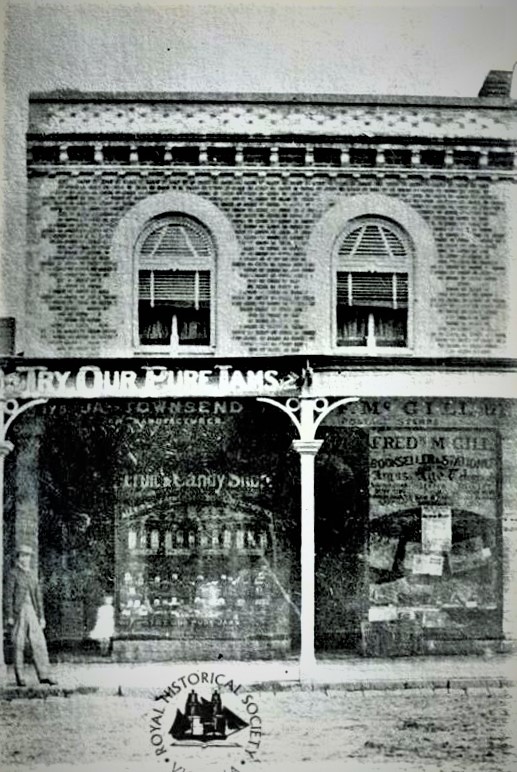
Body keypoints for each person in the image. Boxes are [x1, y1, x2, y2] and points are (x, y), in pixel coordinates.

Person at [6, 544, 57, 687]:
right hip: (19, 611)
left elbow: (38, 598)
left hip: (32, 611)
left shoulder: (32, 575)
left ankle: (44, 675)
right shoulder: (13, 574)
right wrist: (9, 615)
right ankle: (20, 676)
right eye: (22, 555)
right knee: (19, 643)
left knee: (39, 642)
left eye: (27, 556)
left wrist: (41, 616)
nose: (25, 559)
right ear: (18, 558)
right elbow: (8, 597)